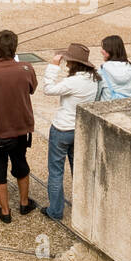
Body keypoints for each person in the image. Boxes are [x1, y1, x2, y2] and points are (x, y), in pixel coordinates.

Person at [0, 30, 38, 222]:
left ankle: (5, 210)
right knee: (21, 163)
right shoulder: (26, 68)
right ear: (14, 48)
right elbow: (32, 88)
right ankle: (24, 202)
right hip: (21, 128)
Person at [43, 43, 101, 221]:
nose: (66, 64)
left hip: (62, 128)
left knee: (56, 171)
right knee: (78, 170)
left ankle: (55, 210)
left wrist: (53, 66)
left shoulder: (72, 82)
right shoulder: (94, 80)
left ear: (73, 63)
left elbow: (48, 89)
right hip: (80, 129)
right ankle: (83, 209)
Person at [97, 35, 131, 100]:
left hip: (107, 105)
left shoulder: (103, 69)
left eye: (104, 49)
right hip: (130, 106)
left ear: (110, 51)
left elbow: (97, 94)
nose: (101, 51)